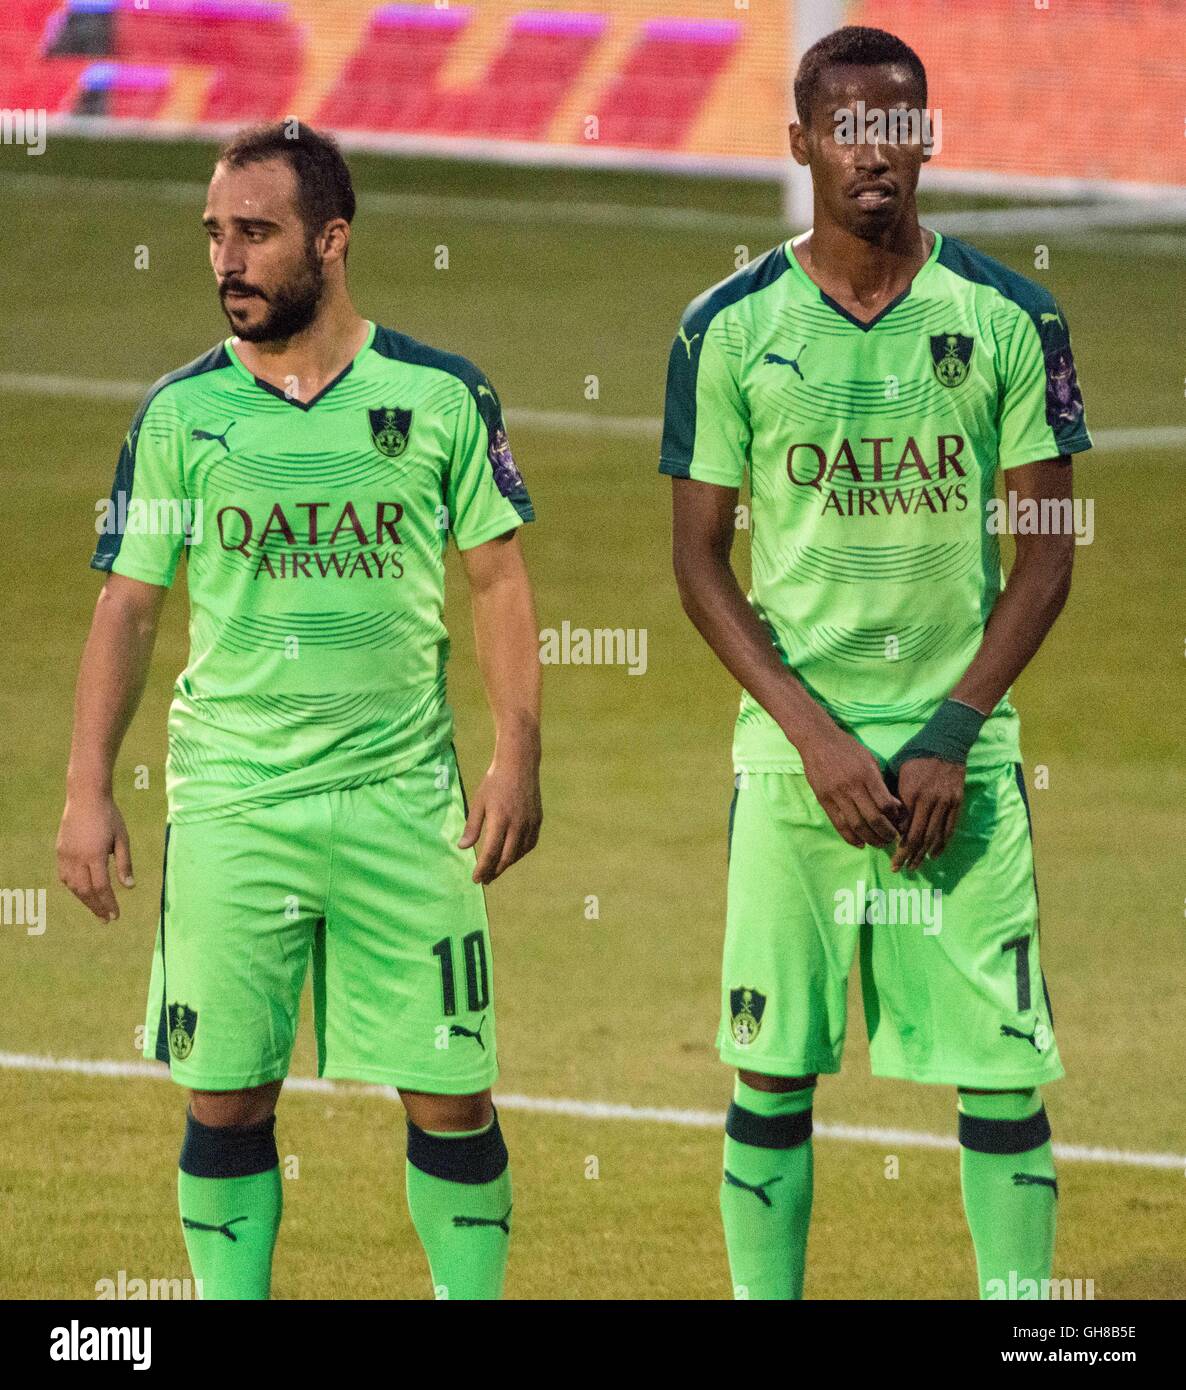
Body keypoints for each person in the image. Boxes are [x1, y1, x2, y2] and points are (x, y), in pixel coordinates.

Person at [57, 122, 542, 1300]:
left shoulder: (435, 394)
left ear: (331, 241)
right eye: (215, 234)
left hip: (403, 800)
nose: (228, 259)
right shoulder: (179, 416)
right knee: (224, 1091)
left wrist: (516, 756)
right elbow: (127, 608)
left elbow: (497, 579)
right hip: (233, 802)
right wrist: (84, 789)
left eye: (257, 233)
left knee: (452, 1090)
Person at [659, 26, 1090, 1299]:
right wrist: (814, 736)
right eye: (849, 126)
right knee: (771, 1067)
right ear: (799, 143)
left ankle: (1025, 1324)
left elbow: (1048, 555)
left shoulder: (1011, 316)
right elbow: (697, 562)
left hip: (963, 765)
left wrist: (951, 732)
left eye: (900, 125)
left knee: (1002, 1069)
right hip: (798, 767)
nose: (876, 152)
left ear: (927, 140)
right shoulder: (725, 329)